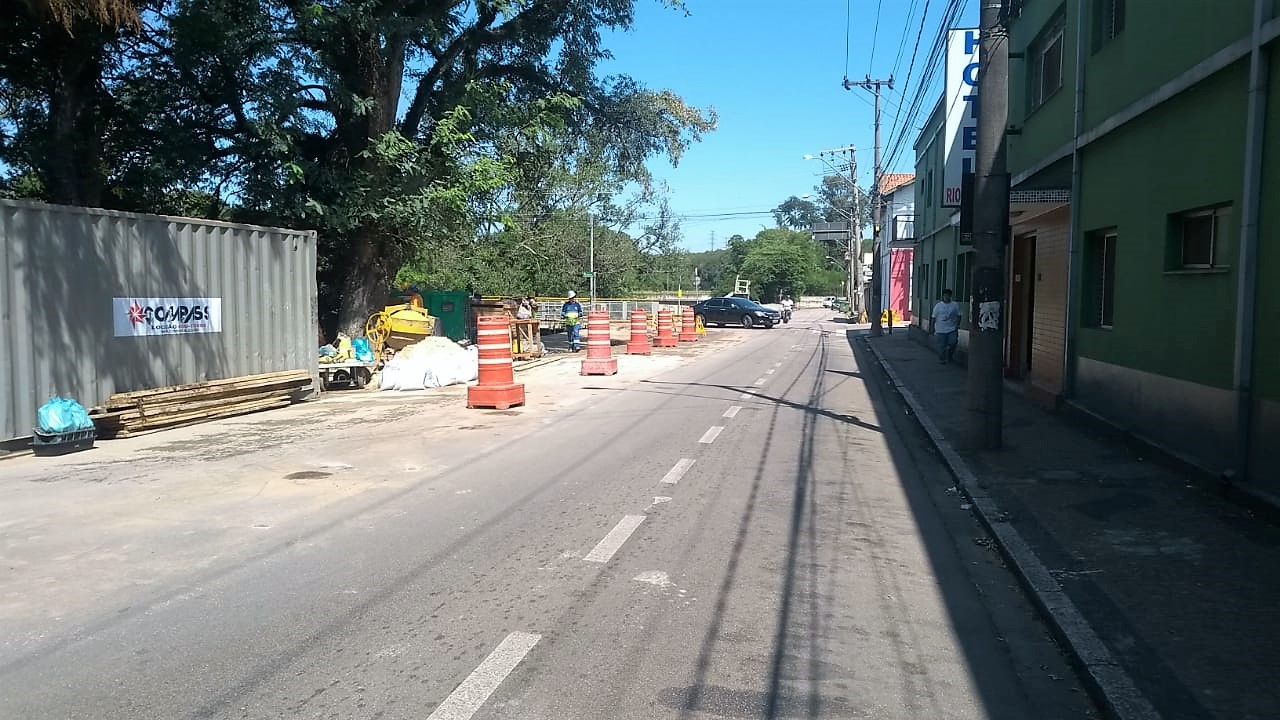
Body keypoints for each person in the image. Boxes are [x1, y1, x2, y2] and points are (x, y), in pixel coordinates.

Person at [931, 289, 962, 364]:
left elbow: (959, 315)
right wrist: (932, 328)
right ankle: (942, 358)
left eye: (948, 295)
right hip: (940, 329)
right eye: (945, 295)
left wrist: (957, 325)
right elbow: (934, 317)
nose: (946, 297)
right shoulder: (938, 306)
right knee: (942, 345)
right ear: (943, 296)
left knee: (953, 342)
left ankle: (950, 355)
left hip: (952, 328)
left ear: (950, 296)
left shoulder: (955, 305)